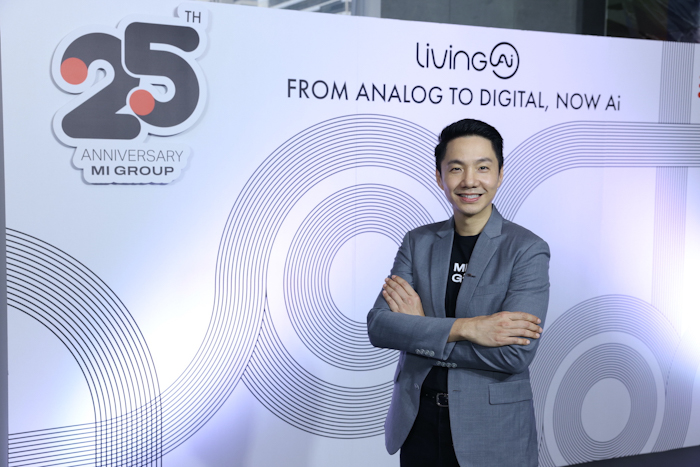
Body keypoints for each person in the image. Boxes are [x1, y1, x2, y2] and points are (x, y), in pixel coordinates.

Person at [367, 119, 550, 467]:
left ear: (499, 174)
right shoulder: (418, 243)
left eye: (483, 167)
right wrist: (468, 328)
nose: (469, 181)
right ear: (440, 177)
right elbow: (380, 327)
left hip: (492, 431)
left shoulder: (526, 250)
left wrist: (421, 331)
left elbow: (514, 355)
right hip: (418, 424)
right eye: (456, 168)